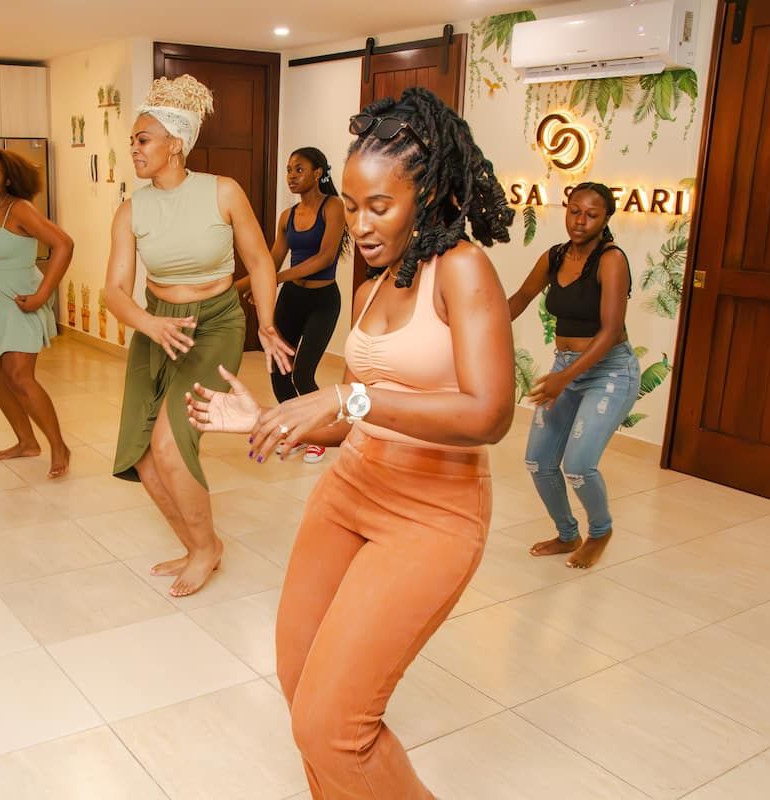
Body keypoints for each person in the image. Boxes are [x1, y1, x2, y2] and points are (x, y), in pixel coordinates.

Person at [187, 88, 514, 798]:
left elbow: (489, 414)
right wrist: (270, 420)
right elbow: (363, 417)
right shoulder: (376, 282)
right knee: (302, 692)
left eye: (380, 206)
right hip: (349, 494)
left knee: (334, 725)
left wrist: (348, 394)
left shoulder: (460, 269)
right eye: (355, 204)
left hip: (432, 517)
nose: (360, 224)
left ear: (427, 196)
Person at [104, 74, 294, 597]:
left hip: (214, 322)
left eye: (143, 139)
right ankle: (195, 545)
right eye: (134, 140)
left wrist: (268, 323)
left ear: (175, 145)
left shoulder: (222, 191)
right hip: (156, 324)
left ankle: (207, 547)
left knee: (170, 442)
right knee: (142, 454)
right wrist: (150, 324)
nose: (134, 148)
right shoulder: (131, 209)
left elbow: (259, 262)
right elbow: (115, 291)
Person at [507, 181, 639, 569]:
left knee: (579, 465)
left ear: (606, 218)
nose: (580, 221)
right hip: (566, 367)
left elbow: (611, 330)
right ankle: (567, 534)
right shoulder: (555, 256)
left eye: (591, 214)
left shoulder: (611, 259)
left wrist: (564, 380)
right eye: (574, 211)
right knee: (537, 461)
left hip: (609, 371)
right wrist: (475, 327)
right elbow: (519, 299)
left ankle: (601, 531)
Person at [0, 148, 73, 475]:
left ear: (8, 178)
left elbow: (64, 244)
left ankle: (59, 446)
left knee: (20, 378)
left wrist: (42, 295)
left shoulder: (19, 209)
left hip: (18, 303)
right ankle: (26, 442)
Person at [234, 147, 347, 464]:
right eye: (288, 170)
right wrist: (234, 288)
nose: (291, 177)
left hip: (323, 300)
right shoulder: (287, 217)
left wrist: (276, 278)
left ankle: (321, 436)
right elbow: (268, 262)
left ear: (317, 173)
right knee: (279, 371)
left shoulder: (333, 207)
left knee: (303, 373)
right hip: (293, 299)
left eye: (299, 170)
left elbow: (324, 258)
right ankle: (297, 432)